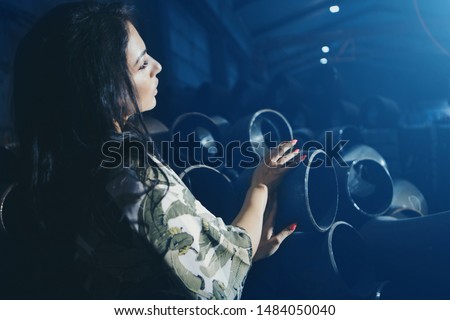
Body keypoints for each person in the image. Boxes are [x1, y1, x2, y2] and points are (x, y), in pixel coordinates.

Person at [9, 1, 302, 299]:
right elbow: (217, 282)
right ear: (101, 87)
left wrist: (244, 252)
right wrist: (261, 185)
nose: (157, 67)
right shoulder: (128, 171)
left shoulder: (65, 162)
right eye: (142, 63)